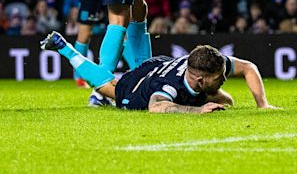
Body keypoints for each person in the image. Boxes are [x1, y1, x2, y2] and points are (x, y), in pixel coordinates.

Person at [40, 32, 276, 113]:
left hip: (160, 64)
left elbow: (248, 68)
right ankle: (64, 47)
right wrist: (196, 110)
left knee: (227, 102)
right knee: (109, 86)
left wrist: (262, 105)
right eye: (219, 77)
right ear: (200, 79)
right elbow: (156, 107)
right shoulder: (169, 87)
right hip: (135, 90)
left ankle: (131, 30)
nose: (224, 78)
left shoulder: (206, 62)